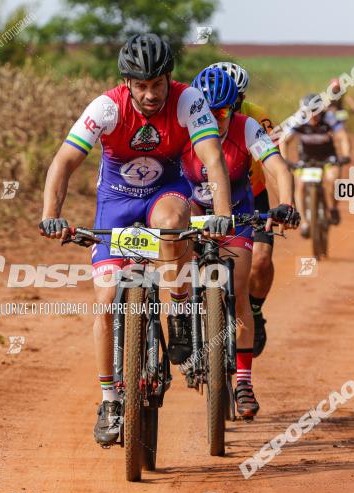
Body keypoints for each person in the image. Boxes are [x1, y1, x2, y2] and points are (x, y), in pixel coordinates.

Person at [39, 34, 234, 446]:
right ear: (126, 83)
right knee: (107, 300)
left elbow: (213, 158)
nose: (150, 94)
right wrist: (51, 216)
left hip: (166, 192)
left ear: (169, 79)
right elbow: (63, 162)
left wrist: (221, 214)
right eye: (141, 86)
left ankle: (180, 308)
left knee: (172, 224)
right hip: (117, 202)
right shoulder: (106, 107)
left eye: (157, 85)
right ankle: (110, 399)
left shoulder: (189, 101)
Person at [181, 66, 298, 419]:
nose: (214, 118)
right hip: (191, 209)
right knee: (174, 268)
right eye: (207, 111)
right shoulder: (183, 125)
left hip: (238, 211)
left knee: (241, 286)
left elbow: (277, 167)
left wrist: (287, 204)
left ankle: (244, 381)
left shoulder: (248, 127)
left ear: (235, 108)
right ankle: (184, 323)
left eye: (222, 112)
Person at [208, 61, 277, 359]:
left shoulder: (256, 117)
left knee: (260, 261)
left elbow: (275, 163)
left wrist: (284, 204)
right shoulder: (198, 116)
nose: (224, 111)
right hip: (210, 197)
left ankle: (255, 311)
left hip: (253, 196)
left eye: (232, 103)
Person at [281, 94, 351, 235]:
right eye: (308, 112)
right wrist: (285, 160)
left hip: (327, 156)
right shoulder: (297, 120)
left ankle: (332, 209)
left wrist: (346, 155)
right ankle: (304, 223)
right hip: (306, 158)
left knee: (332, 178)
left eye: (315, 112)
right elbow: (284, 141)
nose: (312, 116)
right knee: (299, 184)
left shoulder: (329, 118)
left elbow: (343, 137)